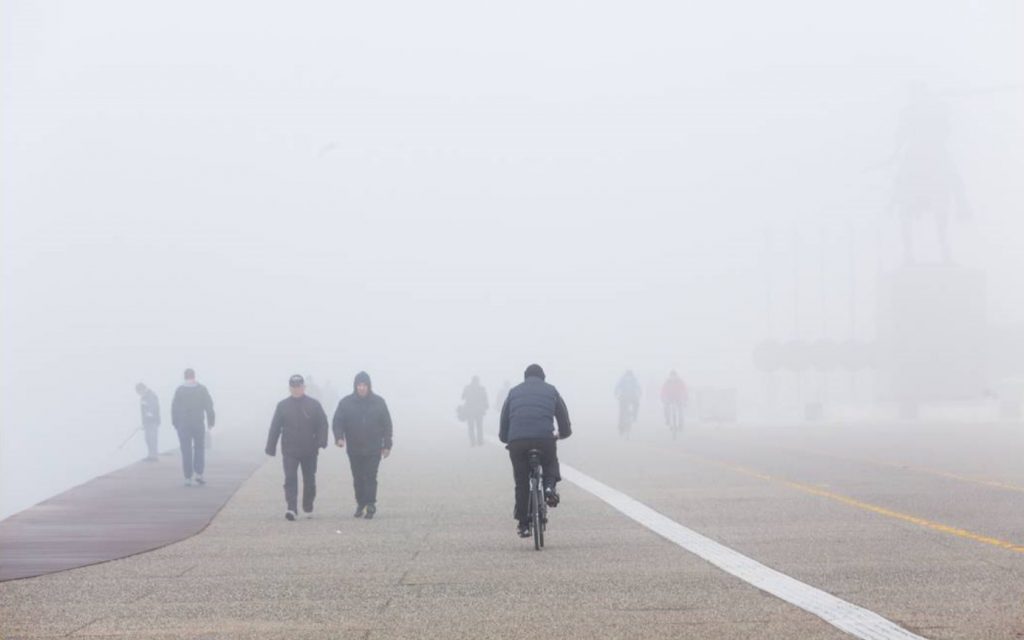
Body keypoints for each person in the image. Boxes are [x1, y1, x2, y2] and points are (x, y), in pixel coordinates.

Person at [498, 364, 572, 539]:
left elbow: (504, 421)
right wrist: (563, 433)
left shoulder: (513, 392)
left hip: (518, 441)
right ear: (543, 377)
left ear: (525, 377)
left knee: (522, 481)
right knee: (550, 461)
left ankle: (523, 525)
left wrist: (506, 438)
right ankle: (548, 488)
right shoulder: (551, 391)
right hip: (544, 438)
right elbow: (563, 418)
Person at [265, 374, 329, 521]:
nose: (296, 389)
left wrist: (321, 441)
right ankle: (291, 508)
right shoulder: (282, 406)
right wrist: (271, 446)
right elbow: (275, 427)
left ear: (304, 387)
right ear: (289, 388)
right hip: (289, 450)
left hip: (309, 449)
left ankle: (307, 505)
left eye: (299, 386)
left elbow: (323, 424)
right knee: (290, 478)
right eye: (293, 387)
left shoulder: (314, 404)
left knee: (309, 479)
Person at [333, 371, 393, 519]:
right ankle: (361, 503)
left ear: (369, 386)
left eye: (364, 385)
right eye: (359, 385)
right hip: (354, 448)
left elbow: (387, 425)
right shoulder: (346, 403)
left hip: (373, 447)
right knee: (358, 477)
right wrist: (339, 437)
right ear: (355, 386)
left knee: (371, 476)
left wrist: (387, 445)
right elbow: (337, 422)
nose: (362, 388)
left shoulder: (379, 402)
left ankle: (371, 504)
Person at [171, 368, 216, 486]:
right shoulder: (201, 389)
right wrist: (211, 422)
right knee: (199, 448)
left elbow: (174, 409)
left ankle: (187, 477)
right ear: (194, 376)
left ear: (184, 377)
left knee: (186, 450)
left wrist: (175, 423)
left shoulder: (180, 390)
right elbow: (209, 406)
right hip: (198, 424)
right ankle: (199, 474)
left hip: (183, 425)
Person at [461, 375, 489, 446]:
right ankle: (480, 441)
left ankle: (472, 442)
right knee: (479, 427)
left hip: (470, 410)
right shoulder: (481, 389)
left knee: (471, 427)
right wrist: (485, 407)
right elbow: (485, 399)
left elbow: (462, 397)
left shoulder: (467, 388)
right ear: (478, 381)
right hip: (479, 411)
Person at [135, 383, 161, 461]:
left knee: (152, 438)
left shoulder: (151, 395)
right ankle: (150, 455)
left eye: (139, 392)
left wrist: (148, 416)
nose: (139, 394)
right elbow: (143, 411)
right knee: (148, 438)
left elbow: (152, 408)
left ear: (142, 389)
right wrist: (144, 422)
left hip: (153, 421)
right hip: (147, 422)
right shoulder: (143, 397)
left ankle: (154, 456)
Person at [615, 370, 641, 435]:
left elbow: (638, 387)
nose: (628, 377)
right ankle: (621, 428)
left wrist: (639, 393)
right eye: (627, 376)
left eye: (629, 376)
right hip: (623, 397)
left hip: (632, 396)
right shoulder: (622, 380)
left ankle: (634, 416)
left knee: (636, 404)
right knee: (622, 412)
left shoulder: (634, 380)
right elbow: (617, 387)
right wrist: (616, 393)